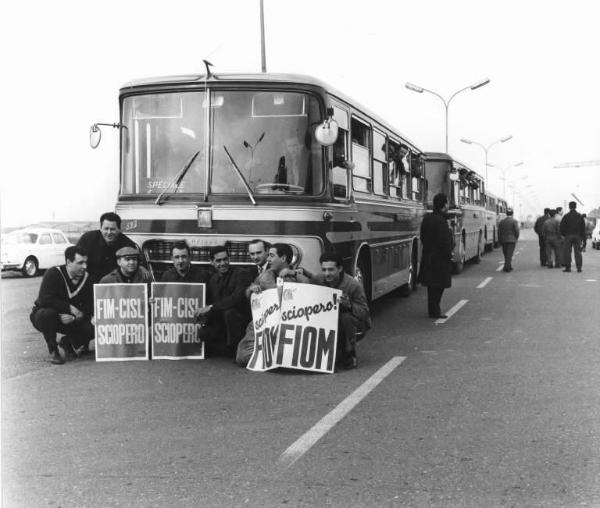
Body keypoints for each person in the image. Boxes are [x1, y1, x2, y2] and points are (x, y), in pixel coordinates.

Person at [236, 243, 310, 367]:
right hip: (264, 323)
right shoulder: (264, 275)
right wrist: (252, 290)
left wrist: (293, 274)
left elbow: (312, 288)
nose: (268, 259)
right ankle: (274, 356)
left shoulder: (297, 273)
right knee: (242, 358)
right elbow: (248, 293)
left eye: (271, 256)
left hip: (290, 324)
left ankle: (279, 357)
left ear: (283, 258)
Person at [30, 245, 95, 364]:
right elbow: (45, 299)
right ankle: (53, 350)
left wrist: (75, 316)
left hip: (72, 319)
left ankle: (68, 342)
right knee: (47, 314)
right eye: (80, 263)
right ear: (69, 262)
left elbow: (90, 304)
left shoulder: (87, 278)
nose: (84, 266)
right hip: (47, 316)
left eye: (85, 262)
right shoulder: (54, 273)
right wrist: (69, 308)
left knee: (95, 326)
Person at [307, 251, 371, 370]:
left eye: (331, 270)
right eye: (324, 269)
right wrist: (293, 272)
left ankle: (350, 353)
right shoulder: (319, 279)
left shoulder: (353, 285)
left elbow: (365, 312)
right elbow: (306, 284)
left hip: (353, 321)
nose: (327, 273)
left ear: (340, 268)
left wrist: (350, 305)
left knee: (346, 317)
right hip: (328, 319)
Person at [195, 246, 253, 357]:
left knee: (229, 313)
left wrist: (211, 307)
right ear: (211, 262)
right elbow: (211, 303)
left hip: (240, 320)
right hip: (222, 321)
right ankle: (224, 349)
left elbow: (236, 298)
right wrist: (202, 317)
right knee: (203, 332)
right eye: (218, 261)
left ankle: (236, 350)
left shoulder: (241, 274)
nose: (223, 263)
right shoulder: (213, 279)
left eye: (225, 259)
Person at [76, 212, 140, 283]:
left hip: (115, 286)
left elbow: (136, 267)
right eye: (106, 229)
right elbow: (76, 260)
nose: (109, 232)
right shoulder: (87, 239)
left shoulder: (128, 244)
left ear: (119, 229)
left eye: (112, 229)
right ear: (100, 228)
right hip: (89, 283)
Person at [418, 193, 453, 319]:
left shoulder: (428, 218)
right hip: (439, 259)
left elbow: (422, 236)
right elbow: (445, 241)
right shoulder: (442, 221)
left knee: (432, 286)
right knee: (438, 285)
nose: (448, 205)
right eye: (447, 203)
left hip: (428, 256)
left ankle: (433, 310)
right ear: (444, 205)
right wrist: (449, 254)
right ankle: (435, 311)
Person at [560, 201, 586, 273]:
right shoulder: (580, 216)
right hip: (578, 236)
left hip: (568, 236)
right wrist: (582, 239)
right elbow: (583, 228)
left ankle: (568, 268)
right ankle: (579, 268)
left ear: (569, 207)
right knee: (578, 252)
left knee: (567, 252)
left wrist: (564, 235)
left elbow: (561, 227)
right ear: (576, 207)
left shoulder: (566, 216)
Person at [498, 208, 520, 272]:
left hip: (503, 240)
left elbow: (499, 232)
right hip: (512, 240)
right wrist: (516, 238)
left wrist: (499, 240)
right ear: (512, 213)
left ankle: (508, 266)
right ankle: (507, 267)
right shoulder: (514, 221)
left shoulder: (502, 222)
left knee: (506, 254)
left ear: (506, 213)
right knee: (509, 254)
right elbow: (517, 231)